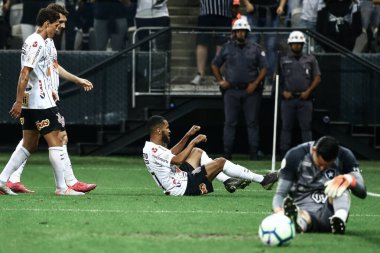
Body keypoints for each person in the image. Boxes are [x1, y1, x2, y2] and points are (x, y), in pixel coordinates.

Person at [5, 3, 96, 194]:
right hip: (40, 101)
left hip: (38, 99)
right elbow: (24, 73)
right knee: (57, 140)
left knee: (29, 144)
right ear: (47, 23)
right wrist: (18, 101)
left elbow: (48, 68)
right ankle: (63, 187)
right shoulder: (37, 42)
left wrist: (68, 82)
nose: (60, 27)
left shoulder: (43, 41)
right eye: (57, 24)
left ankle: (3, 180)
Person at [142, 115, 279, 196]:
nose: (169, 131)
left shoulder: (151, 147)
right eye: (167, 128)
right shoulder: (152, 150)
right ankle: (263, 180)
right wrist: (194, 141)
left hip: (180, 178)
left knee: (196, 152)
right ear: (158, 130)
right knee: (220, 162)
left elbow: (171, 154)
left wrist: (188, 135)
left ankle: (227, 180)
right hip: (182, 188)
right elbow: (177, 160)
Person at [272, 136, 367, 234]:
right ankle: (298, 225)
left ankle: (339, 220)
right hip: (303, 208)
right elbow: (280, 194)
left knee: (341, 182)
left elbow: (363, 192)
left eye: (327, 165)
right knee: (302, 216)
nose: (322, 168)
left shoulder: (345, 155)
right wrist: (279, 212)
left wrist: (350, 180)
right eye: (320, 164)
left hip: (331, 210)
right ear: (314, 150)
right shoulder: (295, 155)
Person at [211, 19, 267, 160]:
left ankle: (254, 154)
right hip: (231, 90)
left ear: (247, 32)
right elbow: (214, 64)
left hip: (251, 91)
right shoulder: (227, 47)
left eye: (243, 31)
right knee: (230, 122)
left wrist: (255, 84)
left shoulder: (255, 48)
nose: (241, 33)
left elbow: (264, 68)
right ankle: (227, 153)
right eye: (238, 31)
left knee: (252, 122)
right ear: (234, 33)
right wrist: (220, 81)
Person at [279, 31, 321, 157]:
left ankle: (309, 154)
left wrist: (308, 91)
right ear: (290, 44)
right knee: (286, 127)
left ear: (303, 44)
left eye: (299, 43)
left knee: (306, 128)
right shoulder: (282, 59)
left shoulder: (311, 59)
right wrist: (283, 92)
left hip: (305, 98)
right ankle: (284, 153)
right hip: (288, 99)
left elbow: (317, 77)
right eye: (294, 43)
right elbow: (276, 78)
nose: (296, 45)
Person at [242, 0, 287, 88]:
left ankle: (270, 79)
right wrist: (247, 3)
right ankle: (251, 76)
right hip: (254, 10)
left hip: (272, 11)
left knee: (271, 46)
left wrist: (281, 6)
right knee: (252, 46)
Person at [190, 0, 232, 86]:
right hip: (206, 11)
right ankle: (200, 74)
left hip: (224, 12)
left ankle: (219, 75)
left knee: (222, 44)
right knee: (202, 42)